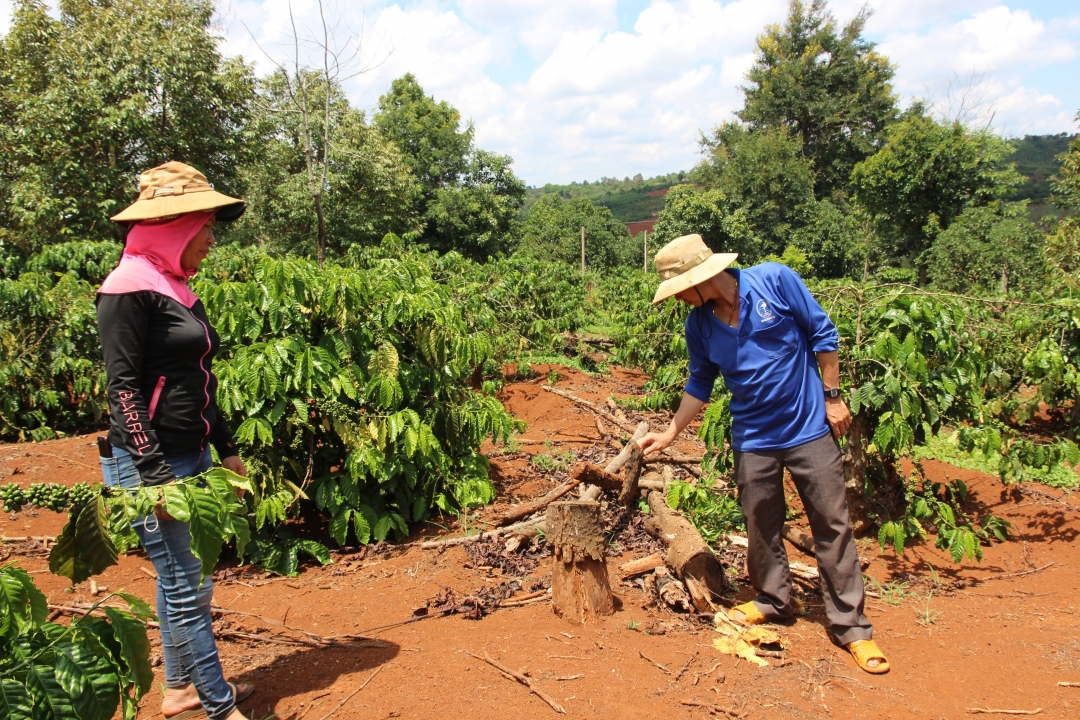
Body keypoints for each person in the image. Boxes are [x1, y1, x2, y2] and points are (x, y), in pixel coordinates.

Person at [638, 234, 889, 674]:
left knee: (831, 522)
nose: (679, 301)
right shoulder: (699, 324)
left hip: (807, 428)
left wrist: (832, 397)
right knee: (760, 521)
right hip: (753, 437)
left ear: (703, 278)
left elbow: (822, 334)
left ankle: (852, 627)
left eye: (681, 291)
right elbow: (701, 382)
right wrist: (670, 432)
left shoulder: (773, 279)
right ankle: (774, 600)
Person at [97, 162, 256, 719]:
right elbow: (122, 390)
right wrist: (155, 475)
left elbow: (198, 379)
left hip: (193, 453)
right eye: (205, 226)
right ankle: (218, 706)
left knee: (187, 580)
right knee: (187, 585)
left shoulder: (176, 288)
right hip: (150, 463)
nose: (212, 238)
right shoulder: (126, 290)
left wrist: (228, 447)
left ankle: (182, 689)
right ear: (175, 228)